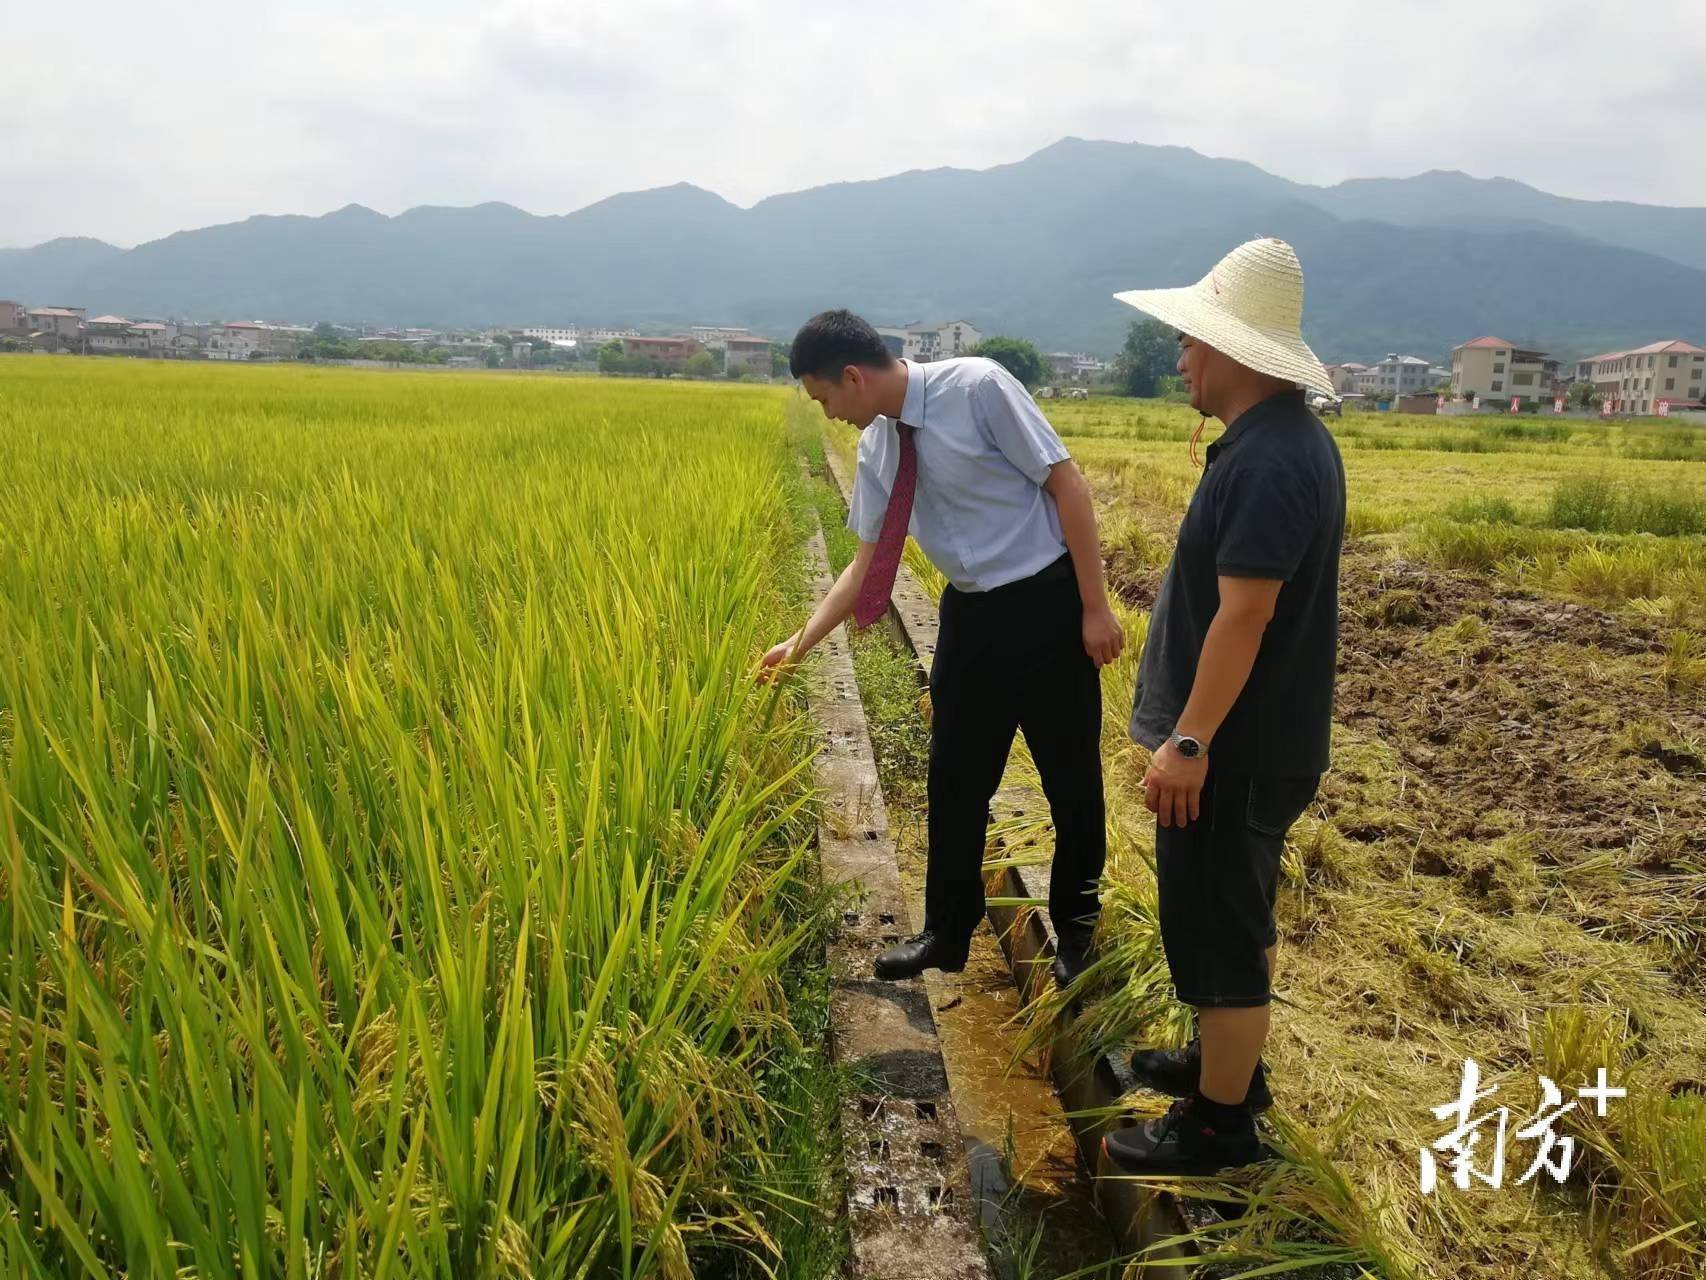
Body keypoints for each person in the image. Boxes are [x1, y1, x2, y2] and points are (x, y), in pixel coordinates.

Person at [759, 311, 1123, 986]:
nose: (828, 414)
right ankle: (947, 932)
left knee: (1070, 779)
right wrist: (801, 642)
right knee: (953, 779)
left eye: (824, 399)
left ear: (851, 377)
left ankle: (1075, 930)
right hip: (971, 616)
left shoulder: (980, 388)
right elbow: (868, 564)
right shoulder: (879, 447)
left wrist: (1095, 607)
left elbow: (1066, 484)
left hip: (1046, 604)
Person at [1096, 239, 1346, 1175]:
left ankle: (1217, 1128)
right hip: (1247, 743)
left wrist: (1190, 741)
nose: (1182, 359)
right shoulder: (1270, 443)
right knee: (1227, 917)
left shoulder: (1274, 459)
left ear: (1239, 352)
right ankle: (1224, 1069)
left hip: (1234, 751)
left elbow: (1244, 616)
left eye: (1193, 342)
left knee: (1222, 927)